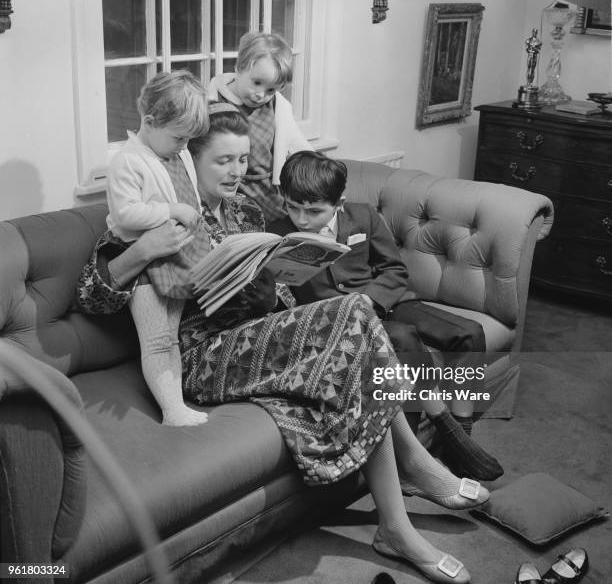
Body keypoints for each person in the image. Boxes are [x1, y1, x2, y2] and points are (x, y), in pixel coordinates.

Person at [77, 103, 490, 583]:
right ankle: (414, 470)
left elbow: (283, 294)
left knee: (353, 339)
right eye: (223, 161)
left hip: (254, 340)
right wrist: (143, 251)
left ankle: (396, 522)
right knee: (353, 316)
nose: (237, 171)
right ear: (190, 160)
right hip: (200, 357)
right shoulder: (156, 215)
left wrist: (269, 287)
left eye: (242, 160)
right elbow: (92, 296)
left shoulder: (248, 212)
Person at [268, 150, 504, 482]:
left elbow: (394, 269)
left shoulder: (362, 216)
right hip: (342, 322)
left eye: (314, 211)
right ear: (283, 198)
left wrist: (370, 298)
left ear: (339, 203)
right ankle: (416, 458)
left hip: (387, 301)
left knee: (468, 333)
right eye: (293, 207)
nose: (302, 219)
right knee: (405, 340)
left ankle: (462, 437)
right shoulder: (277, 234)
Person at [105, 70, 210, 427]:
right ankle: (171, 410)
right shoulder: (128, 160)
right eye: (179, 137)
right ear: (149, 122)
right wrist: (171, 211)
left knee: (173, 338)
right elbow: (125, 213)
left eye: (189, 139)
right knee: (157, 340)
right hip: (145, 266)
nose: (184, 146)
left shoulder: (177, 154)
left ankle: (176, 405)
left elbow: (189, 193)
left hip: (178, 257)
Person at [206, 32, 313, 224]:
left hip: (269, 192)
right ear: (239, 67)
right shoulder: (213, 104)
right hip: (230, 192)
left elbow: (300, 148)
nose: (260, 95)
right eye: (256, 83)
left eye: (271, 89)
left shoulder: (277, 107)